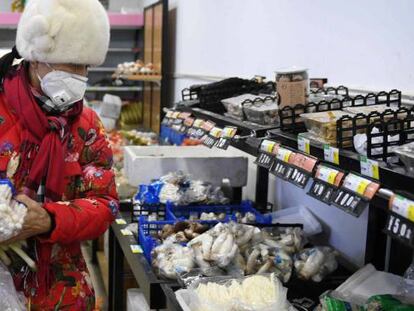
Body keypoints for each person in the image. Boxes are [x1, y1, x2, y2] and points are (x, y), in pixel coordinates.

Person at [0, 0, 119, 310]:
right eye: (72, 63)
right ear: (36, 58)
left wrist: (51, 219)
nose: (81, 76)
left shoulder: (86, 125)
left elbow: (106, 203)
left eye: (86, 66)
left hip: (60, 287)